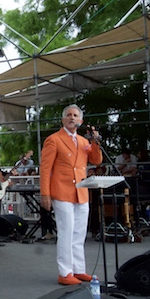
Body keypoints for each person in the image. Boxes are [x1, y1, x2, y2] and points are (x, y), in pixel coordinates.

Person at [39, 104, 102, 286]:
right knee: (66, 233)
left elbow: (96, 160)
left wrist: (96, 142)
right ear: (63, 119)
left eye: (75, 115)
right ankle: (65, 271)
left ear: (80, 121)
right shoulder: (54, 139)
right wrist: (45, 193)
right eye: (68, 115)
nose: (72, 117)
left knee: (79, 233)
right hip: (62, 191)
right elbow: (45, 168)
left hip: (81, 191)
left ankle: (78, 269)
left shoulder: (84, 141)